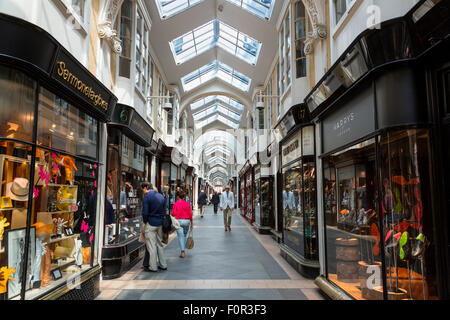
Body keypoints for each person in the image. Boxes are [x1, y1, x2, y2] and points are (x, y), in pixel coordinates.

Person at [141, 182, 167, 272]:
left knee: (152, 246)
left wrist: (145, 221)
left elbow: (145, 212)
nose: (143, 191)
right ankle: (163, 265)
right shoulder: (161, 196)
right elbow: (164, 210)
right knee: (160, 244)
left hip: (151, 223)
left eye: (143, 190)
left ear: (145, 188)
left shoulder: (147, 197)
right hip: (160, 223)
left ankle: (153, 266)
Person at [171, 190, 193, 258]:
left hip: (179, 222)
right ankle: (183, 249)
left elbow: (173, 213)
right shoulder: (187, 204)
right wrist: (192, 223)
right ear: (184, 197)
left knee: (180, 236)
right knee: (184, 236)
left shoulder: (176, 204)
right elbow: (190, 214)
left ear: (178, 197)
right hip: (187, 221)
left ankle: (182, 251)